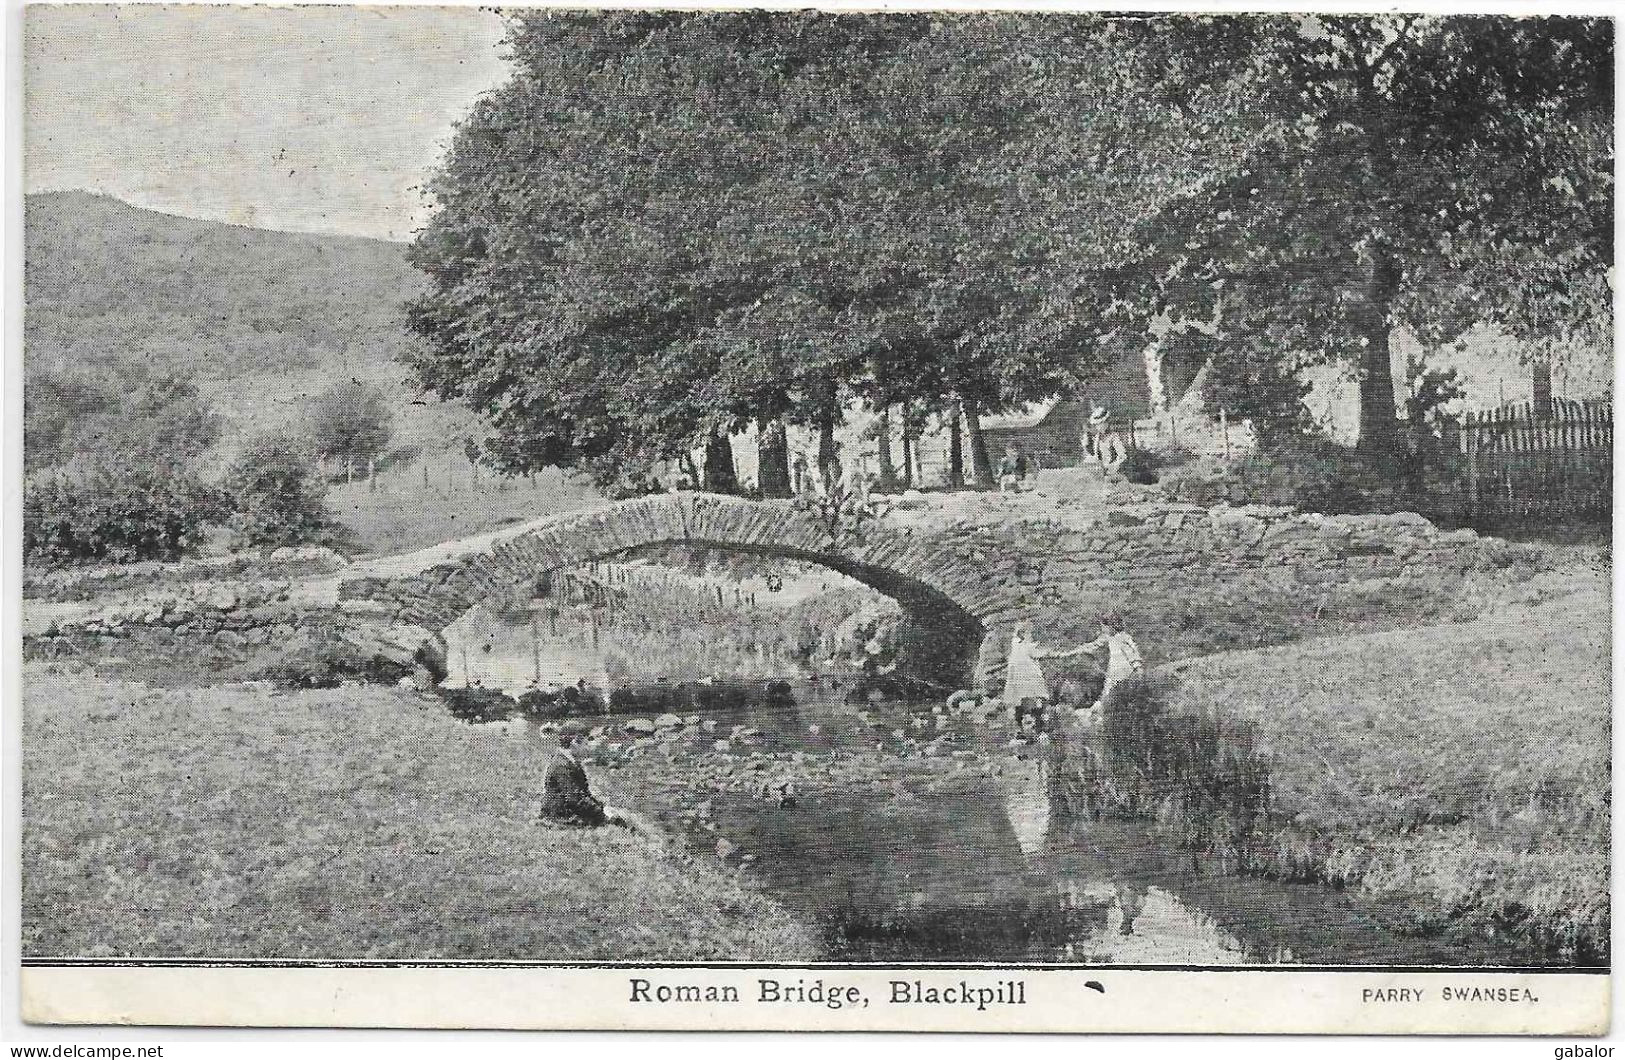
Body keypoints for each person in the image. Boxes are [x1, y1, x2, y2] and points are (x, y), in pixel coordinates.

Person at [1068, 611, 1144, 718]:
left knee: (1115, 695)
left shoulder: (1123, 638)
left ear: (1111, 626)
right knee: (1108, 694)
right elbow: (1094, 644)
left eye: (1104, 626)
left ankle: (1102, 716)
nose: (1102, 629)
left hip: (1123, 672)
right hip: (1114, 672)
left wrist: (1138, 668)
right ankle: (1099, 714)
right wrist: (1078, 650)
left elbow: (1133, 654)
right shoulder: (1109, 637)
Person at [1003, 620, 1069, 732]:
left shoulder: (1015, 646)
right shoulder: (1026, 647)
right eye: (1029, 633)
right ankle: (1037, 727)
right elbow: (1040, 653)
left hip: (1018, 683)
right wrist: (1051, 650)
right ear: (1023, 634)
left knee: (1022, 705)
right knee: (1036, 704)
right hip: (1029, 681)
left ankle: (1024, 729)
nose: (1031, 636)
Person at [540, 729, 613, 826]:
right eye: (585, 742)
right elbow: (574, 799)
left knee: (621, 815)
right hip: (562, 815)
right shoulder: (561, 766)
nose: (587, 747)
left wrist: (601, 806)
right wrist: (601, 812)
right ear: (573, 743)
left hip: (569, 809)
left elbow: (582, 794)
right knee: (621, 818)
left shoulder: (570, 762)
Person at [1085, 407, 1128, 479]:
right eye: (1097, 424)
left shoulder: (1114, 437)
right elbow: (1096, 455)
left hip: (1115, 472)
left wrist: (1112, 467)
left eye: (1102, 423)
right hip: (1101, 472)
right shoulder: (1097, 438)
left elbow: (1122, 457)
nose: (1099, 427)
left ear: (1107, 423)